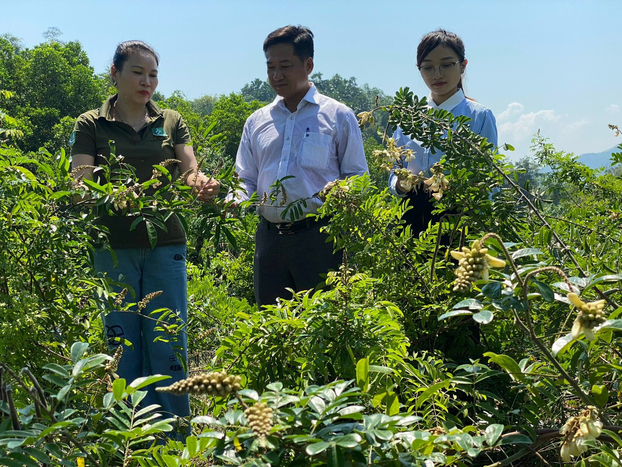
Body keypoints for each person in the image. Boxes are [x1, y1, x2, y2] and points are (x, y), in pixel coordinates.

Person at [70, 40, 220, 430]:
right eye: (137, 72)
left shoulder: (170, 120)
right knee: (123, 342)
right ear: (115, 74)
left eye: (152, 74)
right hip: (112, 247)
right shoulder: (90, 124)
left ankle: (176, 432)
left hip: (166, 242)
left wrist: (202, 184)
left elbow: (189, 169)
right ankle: (130, 431)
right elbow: (80, 183)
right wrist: (113, 195)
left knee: (168, 337)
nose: (146, 81)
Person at [233, 25, 368, 307]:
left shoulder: (338, 116)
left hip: (319, 239)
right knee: (271, 329)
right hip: (269, 242)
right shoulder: (257, 122)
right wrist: (235, 199)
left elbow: (358, 176)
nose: (276, 75)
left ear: (308, 65)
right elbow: (244, 177)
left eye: (285, 66)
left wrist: (339, 191)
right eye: (270, 67)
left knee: (322, 328)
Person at [389, 29, 498, 237]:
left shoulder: (479, 116)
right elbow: (393, 175)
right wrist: (401, 185)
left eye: (447, 65)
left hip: (459, 220)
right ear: (419, 69)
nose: (437, 74)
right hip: (411, 221)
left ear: (463, 66)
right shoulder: (408, 119)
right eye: (428, 67)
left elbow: (489, 180)